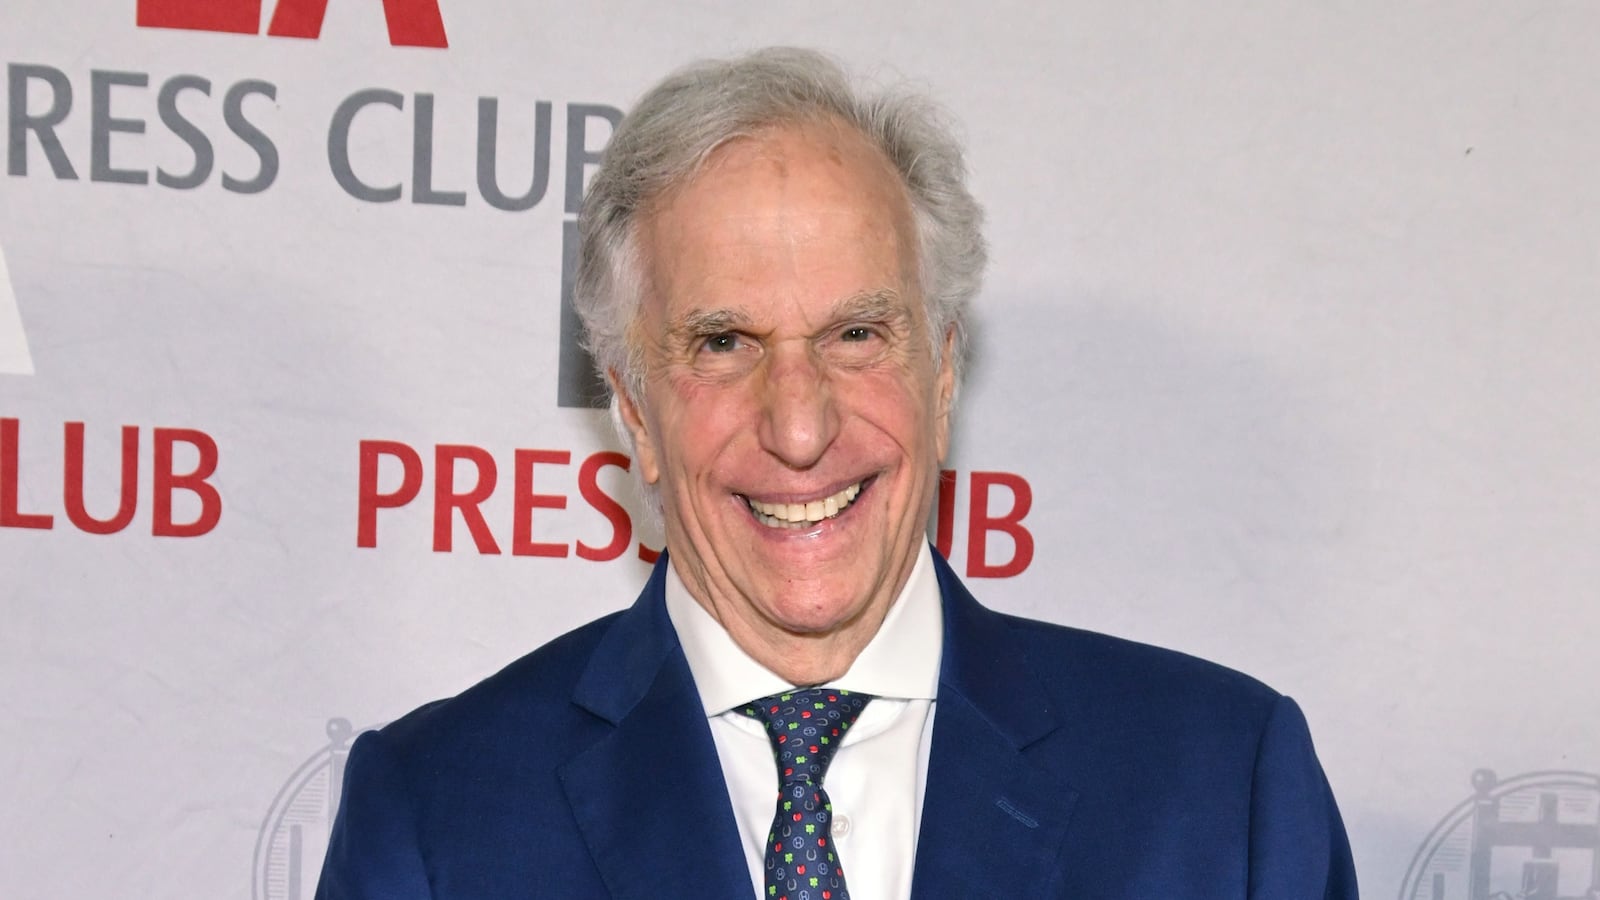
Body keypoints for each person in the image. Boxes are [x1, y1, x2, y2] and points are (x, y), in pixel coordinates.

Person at [315, 47, 1358, 899]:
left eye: (856, 333)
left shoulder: (1222, 789)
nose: (801, 427)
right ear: (633, 409)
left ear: (942, 373)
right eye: (723, 343)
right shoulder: (436, 817)